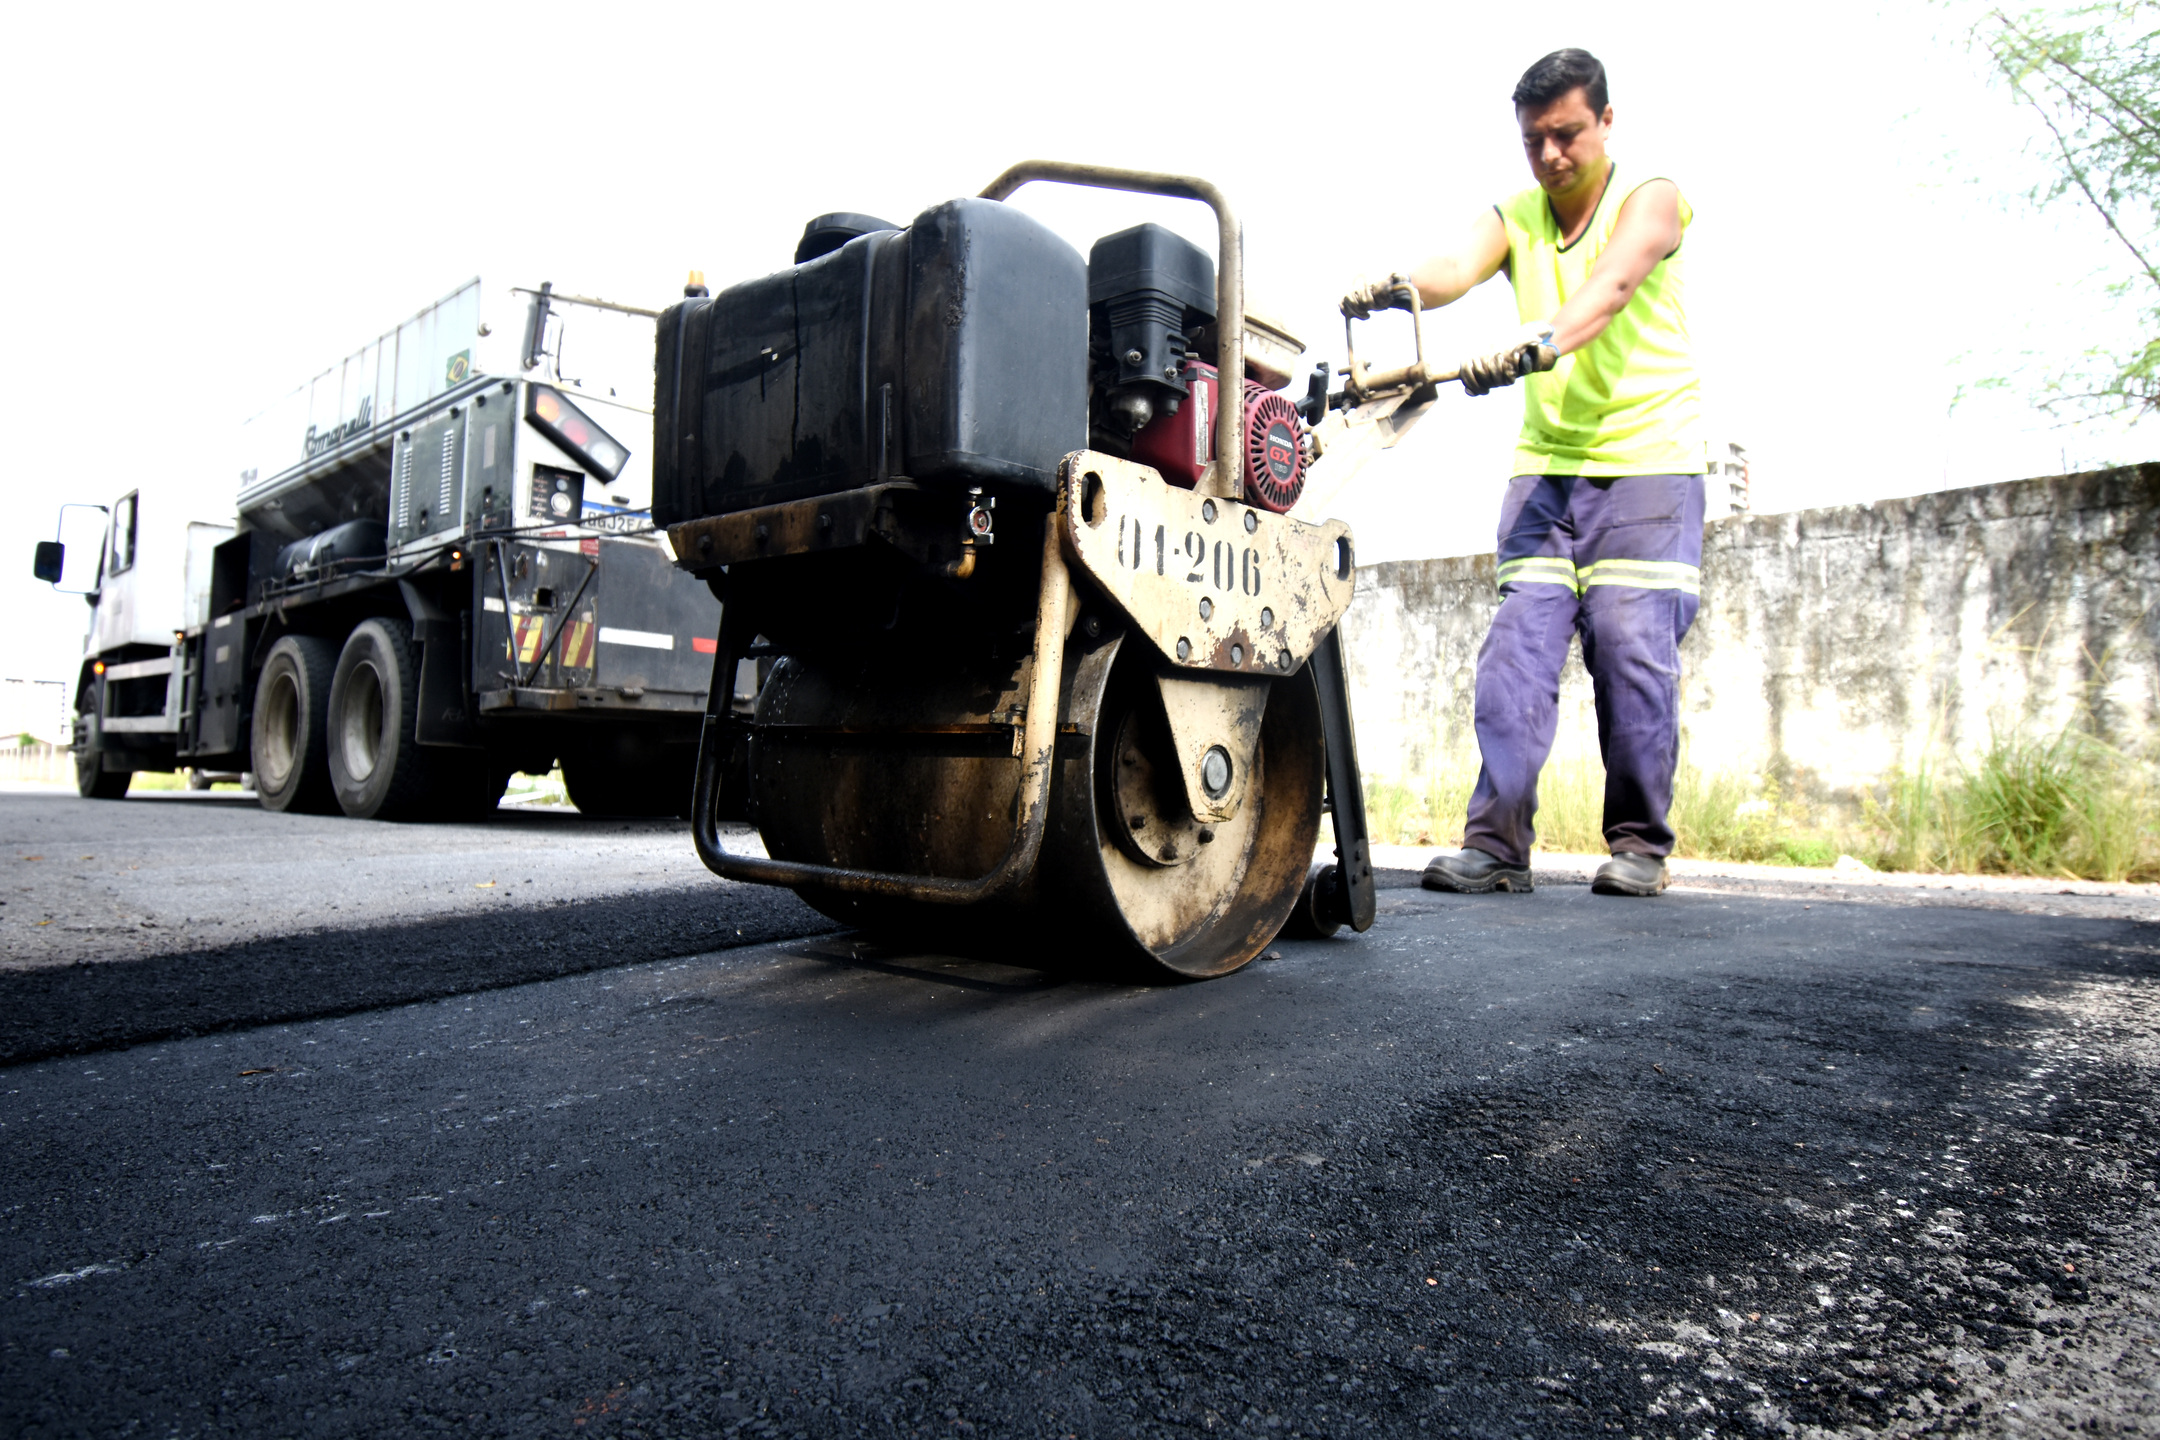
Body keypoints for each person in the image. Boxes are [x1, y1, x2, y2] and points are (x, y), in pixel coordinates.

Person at [1342, 47, 1705, 898]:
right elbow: (1455, 269)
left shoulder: (1652, 199)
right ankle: (1498, 846)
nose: (1552, 156)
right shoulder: (1518, 214)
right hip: (1546, 472)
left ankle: (1641, 846)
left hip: (1648, 468)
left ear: (1605, 122)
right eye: (1535, 141)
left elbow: (1612, 284)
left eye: (1567, 134)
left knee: (1629, 651)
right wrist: (1396, 288)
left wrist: (1540, 341)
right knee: (1514, 657)